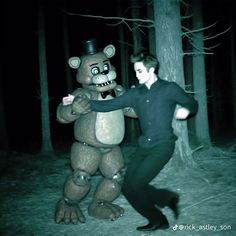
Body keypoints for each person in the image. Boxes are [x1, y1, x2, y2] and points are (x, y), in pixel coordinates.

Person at [81, 52, 198, 231]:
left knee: (137, 185)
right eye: (135, 71)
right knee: (128, 188)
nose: (136, 75)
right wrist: (80, 102)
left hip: (163, 145)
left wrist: (186, 110)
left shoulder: (169, 89)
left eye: (139, 71)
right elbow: (110, 105)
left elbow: (192, 103)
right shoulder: (135, 93)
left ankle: (160, 215)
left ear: (151, 70)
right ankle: (165, 203)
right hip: (144, 146)